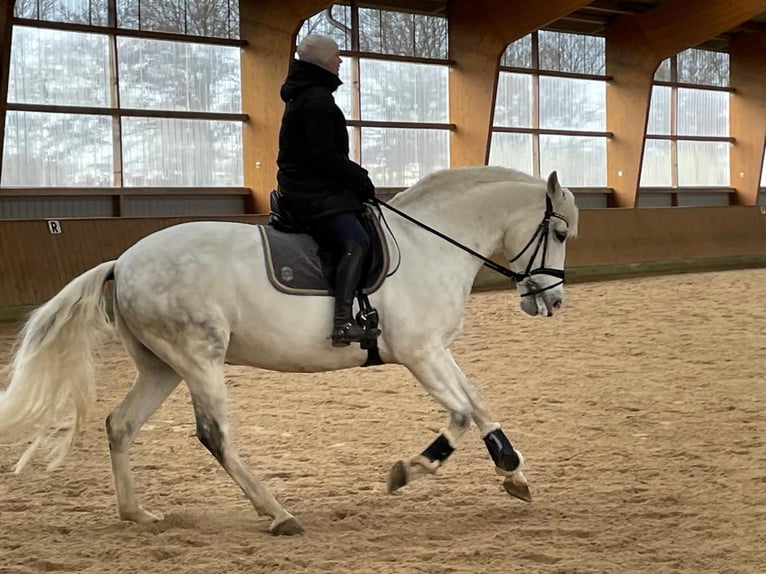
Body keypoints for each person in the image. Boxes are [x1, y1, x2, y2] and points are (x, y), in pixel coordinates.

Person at [276, 33, 379, 347]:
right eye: (337, 55)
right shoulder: (317, 99)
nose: (341, 60)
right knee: (356, 239)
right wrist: (359, 177)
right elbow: (323, 155)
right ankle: (343, 323)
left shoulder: (307, 94)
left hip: (309, 185)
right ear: (322, 59)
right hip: (311, 191)